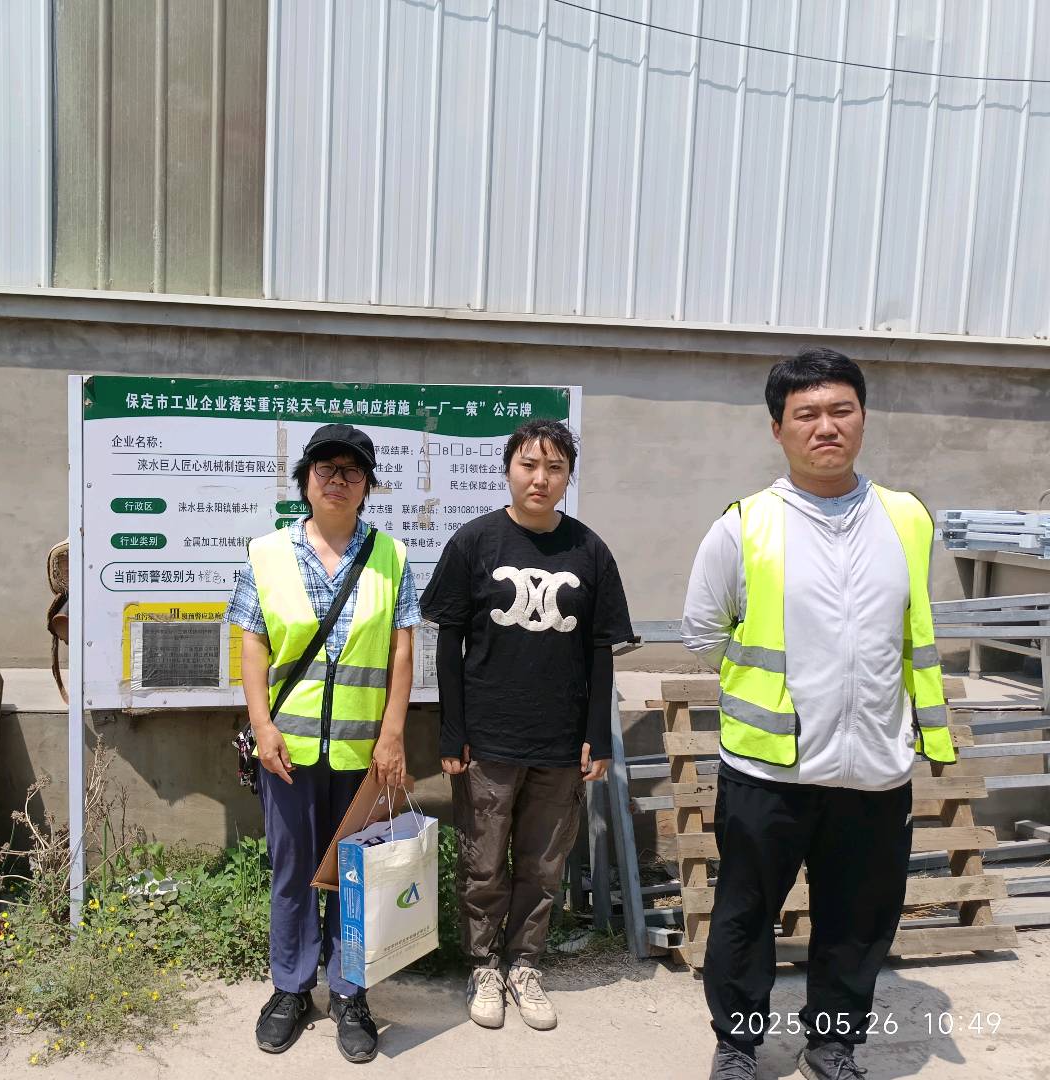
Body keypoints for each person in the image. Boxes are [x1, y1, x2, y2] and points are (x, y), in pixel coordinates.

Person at [681, 348, 955, 1080]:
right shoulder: (744, 525)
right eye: (806, 414)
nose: (825, 427)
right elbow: (703, 632)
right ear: (778, 429)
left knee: (858, 920)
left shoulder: (906, 518)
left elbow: (909, 631)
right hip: (769, 769)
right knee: (745, 917)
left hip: (875, 770)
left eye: (841, 410)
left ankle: (832, 1044)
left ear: (863, 418)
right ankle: (739, 1045)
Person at [420, 417, 632, 1032]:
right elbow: (449, 643)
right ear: (509, 469)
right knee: (483, 862)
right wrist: (452, 731)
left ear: (568, 477)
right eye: (529, 465)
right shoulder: (475, 542)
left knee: (543, 865)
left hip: (560, 742)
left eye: (555, 467)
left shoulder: (589, 550)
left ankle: (525, 965)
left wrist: (596, 735)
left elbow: (600, 649)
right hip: (487, 739)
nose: (540, 478)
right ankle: (483, 965)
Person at [227, 422, 420, 1064]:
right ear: (305, 481)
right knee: (291, 872)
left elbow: (401, 651)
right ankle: (290, 989)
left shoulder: (391, 557)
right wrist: (262, 726)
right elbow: (253, 646)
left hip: (364, 754)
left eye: (351, 470)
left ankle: (350, 993)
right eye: (325, 469)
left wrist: (393, 734)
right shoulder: (265, 554)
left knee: (354, 877)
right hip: (287, 750)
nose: (338, 480)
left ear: (367, 485)